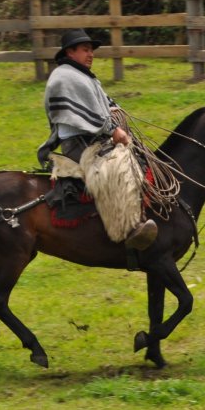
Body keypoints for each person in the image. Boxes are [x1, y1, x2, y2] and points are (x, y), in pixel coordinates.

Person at [38, 29, 158, 249]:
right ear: (70, 52)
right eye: (85, 49)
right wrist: (112, 130)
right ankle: (128, 228)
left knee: (140, 155)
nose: (91, 54)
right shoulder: (64, 78)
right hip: (80, 145)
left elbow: (102, 106)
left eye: (91, 50)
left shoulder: (82, 75)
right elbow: (86, 115)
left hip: (92, 140)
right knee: (119, 167)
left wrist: (114, 112)